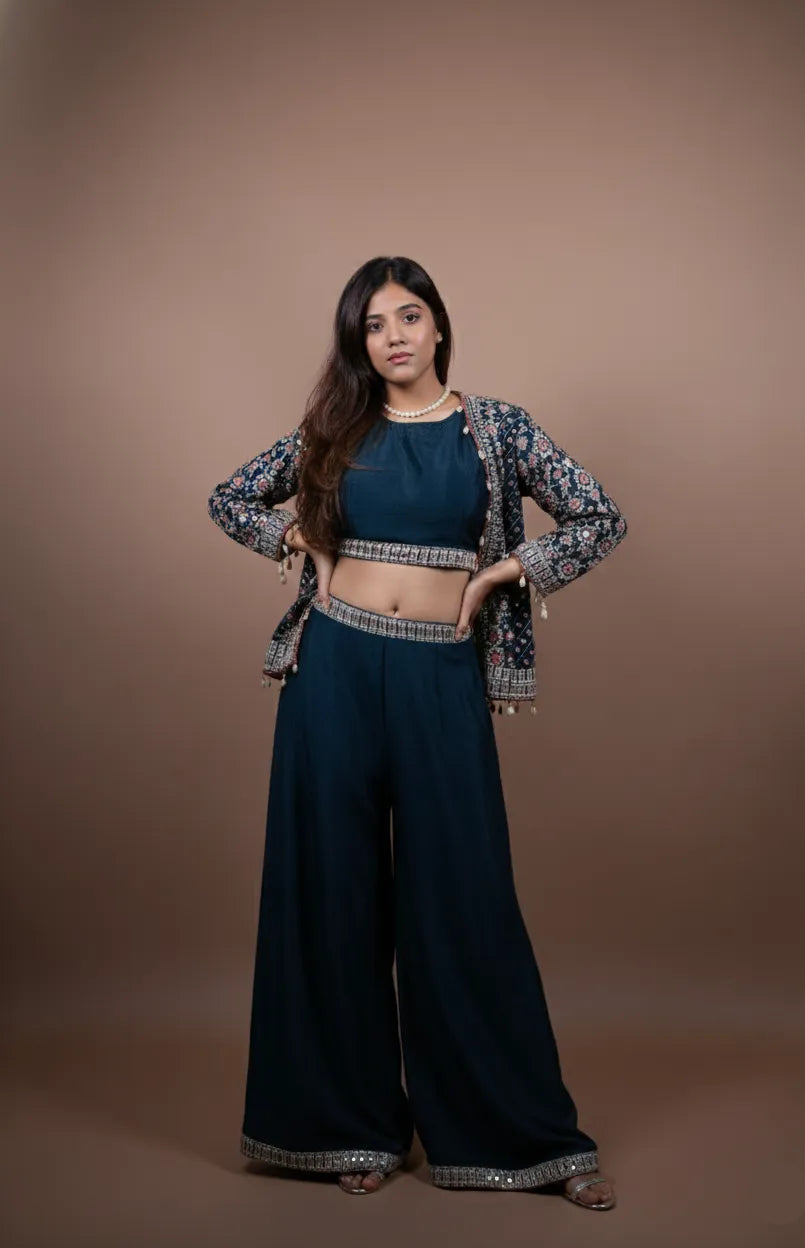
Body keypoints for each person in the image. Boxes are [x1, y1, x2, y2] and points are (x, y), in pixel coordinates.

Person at [207, 256, 628, 1209]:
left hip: (441, 676)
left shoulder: (500, 429)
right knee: (334, 893)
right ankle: (344, 1125)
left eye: (409, 316)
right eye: (373, 325)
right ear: (361, 344)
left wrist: (502, 573)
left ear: (439, 325)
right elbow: (229, 498)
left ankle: (522, 1140)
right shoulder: (334, 431)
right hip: (335, 672)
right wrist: (298, 543)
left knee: (462, 897)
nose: (393, 336)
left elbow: (599, 517)